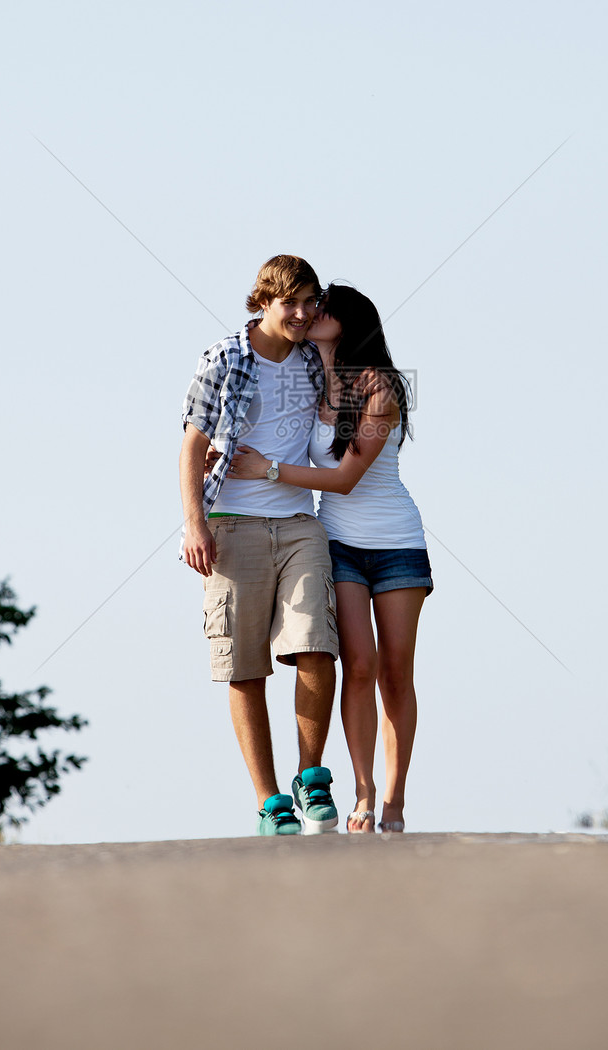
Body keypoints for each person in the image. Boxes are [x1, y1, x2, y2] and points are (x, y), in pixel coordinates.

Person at [228, 283, 432, 833]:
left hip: (397, 545)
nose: (309, 314)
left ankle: (393, 800)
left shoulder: (381, 388)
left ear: (348, 321)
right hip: (338, 544)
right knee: (357, 666)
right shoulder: (308, 379)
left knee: (395, 672)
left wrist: (266, 470)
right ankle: (361, 794)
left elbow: (344, 479)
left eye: (322, 307)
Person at [180, 255, 340, 836]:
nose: (300, 314)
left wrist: (324, 349)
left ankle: (312, 775)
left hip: (299, 522)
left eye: (309, 302)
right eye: (288, 303)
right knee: (245, 668)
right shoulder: (224, 357)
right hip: (231, 523)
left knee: (317, 645)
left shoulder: (312, 361)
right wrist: (195, 524)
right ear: (263, 302)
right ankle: (270, 801)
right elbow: (192, 446)